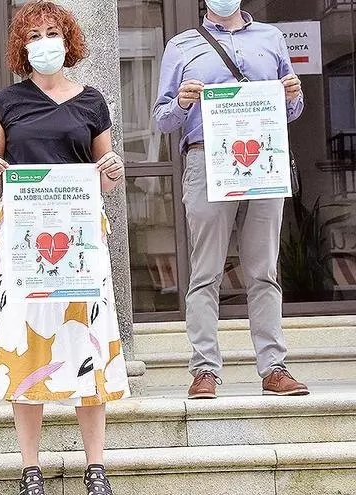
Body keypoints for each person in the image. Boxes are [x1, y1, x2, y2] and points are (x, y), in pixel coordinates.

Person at [0, 2, 129, 494]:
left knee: (88, 344)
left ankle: (96, 466)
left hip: (81, 240)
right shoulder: (4, 102)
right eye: (34, 35)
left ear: (68, 40)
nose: (44, 42)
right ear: (22, 46)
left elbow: (105, 175)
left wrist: (113, 171)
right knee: (26, 348)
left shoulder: (93, 102)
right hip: (24, 243)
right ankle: (30, 468)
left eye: (52, 32)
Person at [153, 0, 308, 399]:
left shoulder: (271, 37)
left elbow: (291, 110)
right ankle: (204, 369)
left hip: (263, 156)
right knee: (205, 271)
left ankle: (274, 367)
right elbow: (162, 118)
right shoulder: (181, 45)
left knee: (264, 270)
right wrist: (181, 102)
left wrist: (293, 95)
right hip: (207, 157)